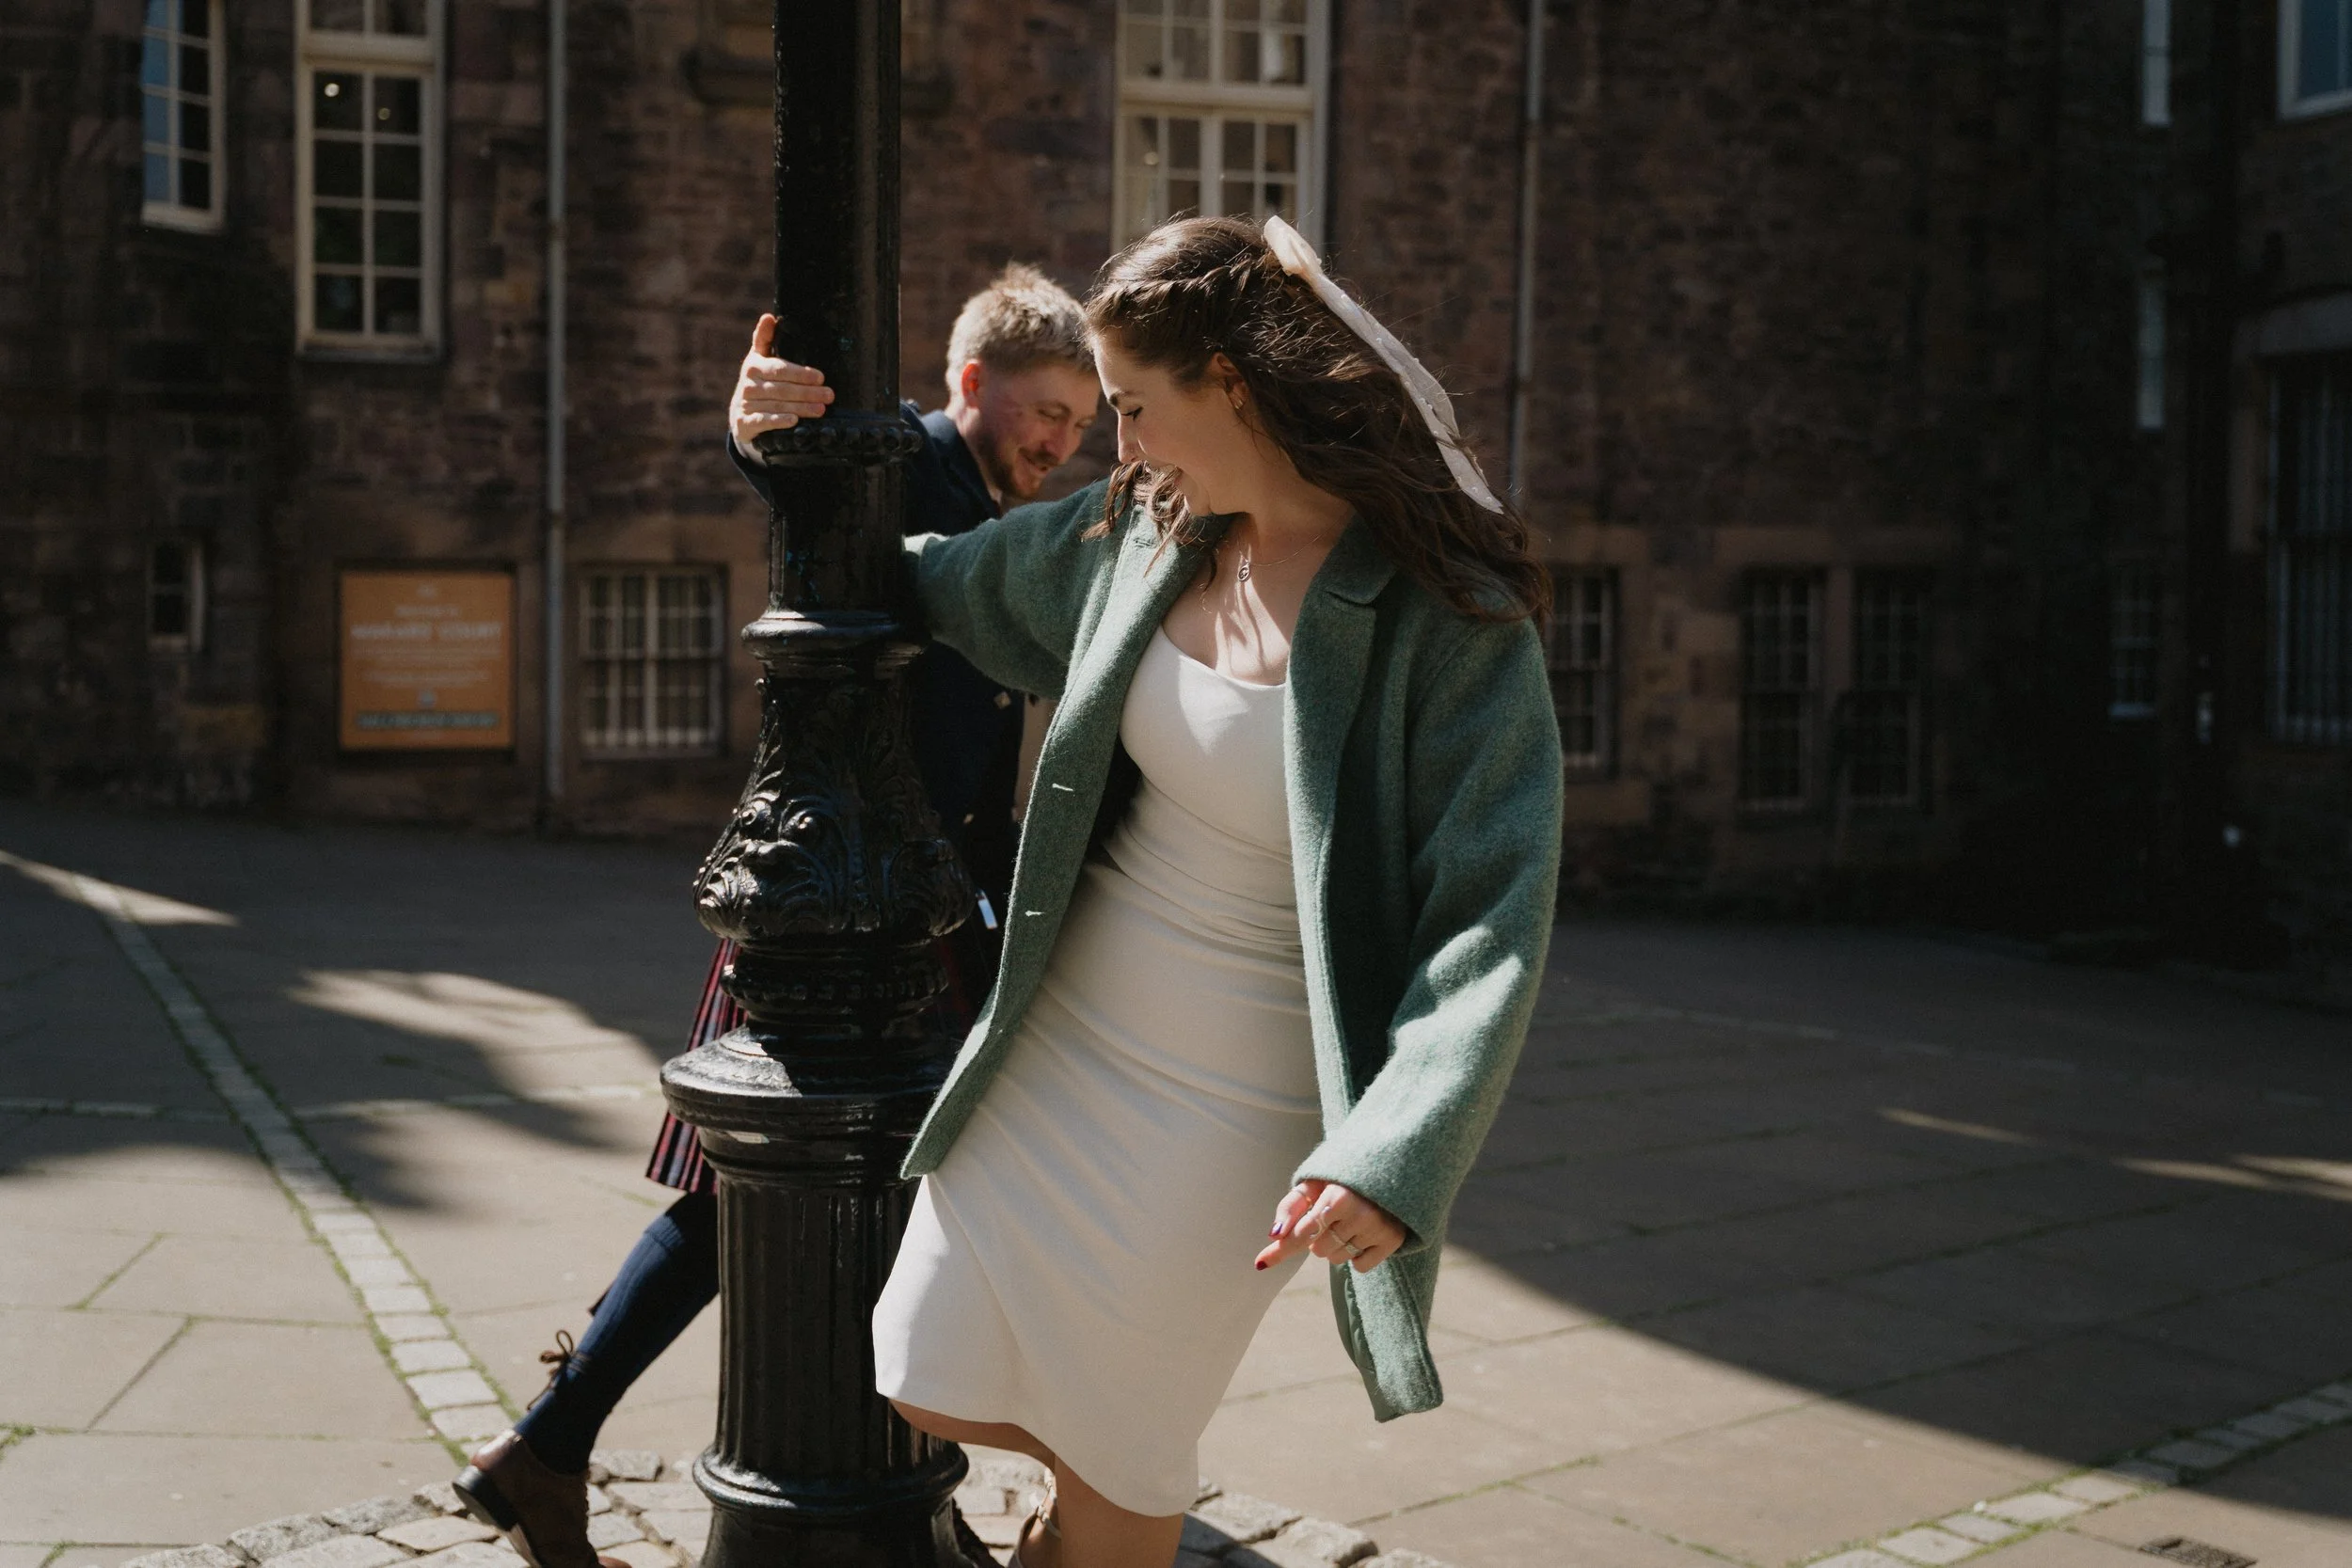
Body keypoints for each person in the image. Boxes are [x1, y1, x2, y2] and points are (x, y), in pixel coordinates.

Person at [787, 214, 1564, 1568]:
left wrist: (1392, 1151)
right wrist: (783, 453)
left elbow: (1491, 914)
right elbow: (914, 581)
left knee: (1123, 1458)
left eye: (1138, 406)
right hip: (1063, 1041)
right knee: (920, 1361)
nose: (1120, 443)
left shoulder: (1451, 615)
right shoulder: (1142, 538)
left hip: (1240, 1101)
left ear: (1236, 390)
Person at [451, 265, 1100, 1567]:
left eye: (1082, 424)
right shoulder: (906, 466)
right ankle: (565, 1445)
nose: (1060, 442)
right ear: (970, 384)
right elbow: (799, 466)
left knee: (852, 1203)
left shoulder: (994, 502)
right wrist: (758, 425)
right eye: (1044, 412)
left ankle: (560, 1448)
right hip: (826, 905)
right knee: (742, 1203)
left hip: (921, 915)